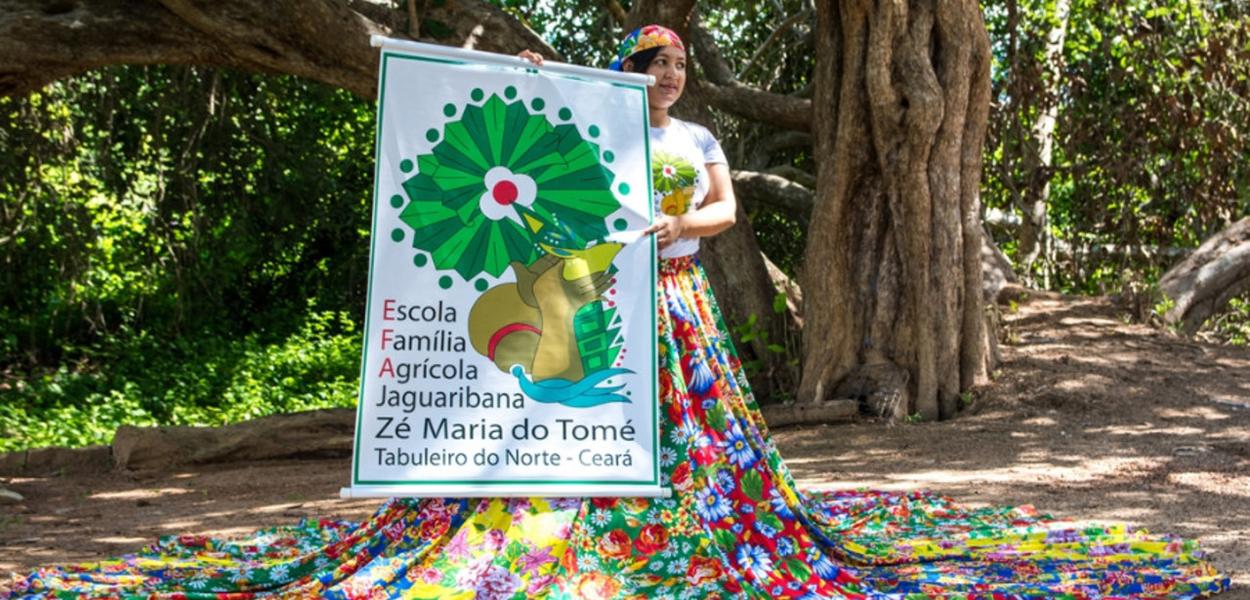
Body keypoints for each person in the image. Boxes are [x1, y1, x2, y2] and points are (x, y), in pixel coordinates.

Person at [4, 25, 1228, 600]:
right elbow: (517, 150)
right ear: (624, 69)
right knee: (570, 419)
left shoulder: (693, 139)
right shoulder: (584, 121)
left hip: (678, 304)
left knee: (694, 443)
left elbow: (719, 217)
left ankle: (683, 530)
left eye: (676, 64)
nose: (663, 77)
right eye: (647, 63)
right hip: (584, 310)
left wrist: (666, 228)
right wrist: (533, 90)